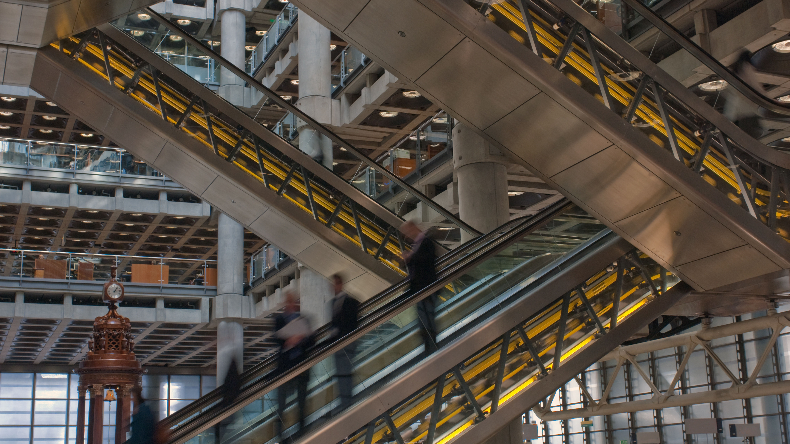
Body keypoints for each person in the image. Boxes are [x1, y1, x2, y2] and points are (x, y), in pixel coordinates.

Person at [274, 291, 314, 440]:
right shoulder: (279, 320)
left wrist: (301, 339)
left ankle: (302, 434)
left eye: (293, 301)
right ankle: (280, 436)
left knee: (302, 403)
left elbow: (312, 340)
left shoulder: (304, 319)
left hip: (301, 366)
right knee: (281, 404)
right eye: (288, 301)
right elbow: (275, 339)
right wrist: (287, 341)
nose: (291, 304)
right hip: (284, 368)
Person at [400, 220, 439, 353]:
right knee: (423, 322)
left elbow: (426, 262)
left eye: (407, 232)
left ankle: (432, 349)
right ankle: (429, 348)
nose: (407, 236)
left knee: (428, 322)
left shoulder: (426, 242)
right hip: (420, 290)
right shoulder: (417, 245)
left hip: (427, 289)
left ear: (413, 227)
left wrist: (411, 257)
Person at [329, 273, 360, 413]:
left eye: (335, 284)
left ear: (341, 284)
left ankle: (348, 401)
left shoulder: (351, 302)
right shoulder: (332, 303)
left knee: (346, 372)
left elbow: (353, 323)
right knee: (341, 373)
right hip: (337, 345)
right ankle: (344, 401)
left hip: (347, 343)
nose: (333, 287)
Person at [723, 50, 765, 139]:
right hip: (747, 113)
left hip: (734, 114)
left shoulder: (734, 73)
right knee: (751, 138)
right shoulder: (746, 68)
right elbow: (756, 88)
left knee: (744, 140)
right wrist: (770, 100)